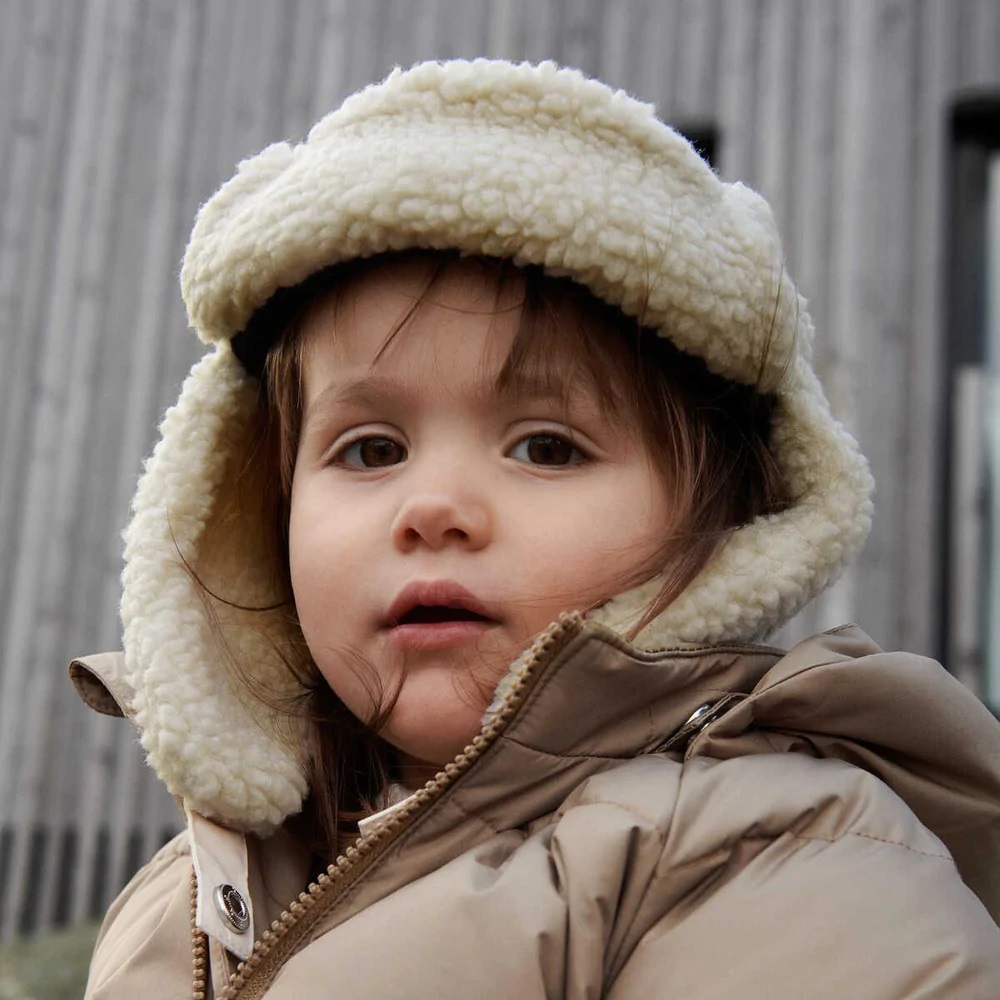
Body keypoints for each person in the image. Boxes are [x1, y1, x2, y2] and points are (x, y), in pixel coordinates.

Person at [72, 59, 1000, 998]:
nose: (434, 508)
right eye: (369, 450)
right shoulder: (188, 890)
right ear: (264, 504)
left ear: (718, 520)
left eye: (547, 449)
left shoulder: (782, 857)